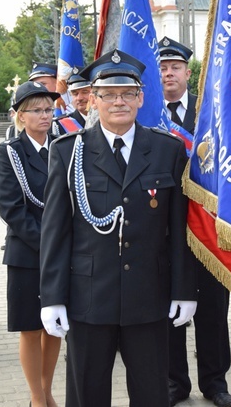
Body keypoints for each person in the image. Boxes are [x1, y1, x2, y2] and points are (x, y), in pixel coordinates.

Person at [39, 49, 197, 406]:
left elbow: (179, 230)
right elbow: (56, 231)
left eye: (127, 93)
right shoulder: (68, 151)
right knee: (87, 392)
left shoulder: (167, 150)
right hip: (89, 296)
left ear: (141, 97)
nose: (118, 101)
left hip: (149, 295)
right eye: (108, 94)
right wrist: (52, 297)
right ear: (93, 100)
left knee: (152, 391)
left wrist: (184, 289)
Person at [159, 37, 231, 407]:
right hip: (163, 230)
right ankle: (176, 382)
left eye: (174, 67)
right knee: (170, 312)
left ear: (188, 73)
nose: (168, 73)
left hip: (206, 225)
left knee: (212, 311)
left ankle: (215, 381)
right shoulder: (145, 115)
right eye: (161, 67)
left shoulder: (209, 113)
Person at [0, 81, 62, 407]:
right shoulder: (10, 152)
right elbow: (11, 209)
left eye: (49, 109)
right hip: (28, 253)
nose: (45, 115)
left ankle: (47, 391)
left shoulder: (64, 146)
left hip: (62, 252)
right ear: (20, 116)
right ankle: (37, 398)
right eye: (36, 110)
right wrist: (48, 244)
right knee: (31, 328)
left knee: (55, 327)